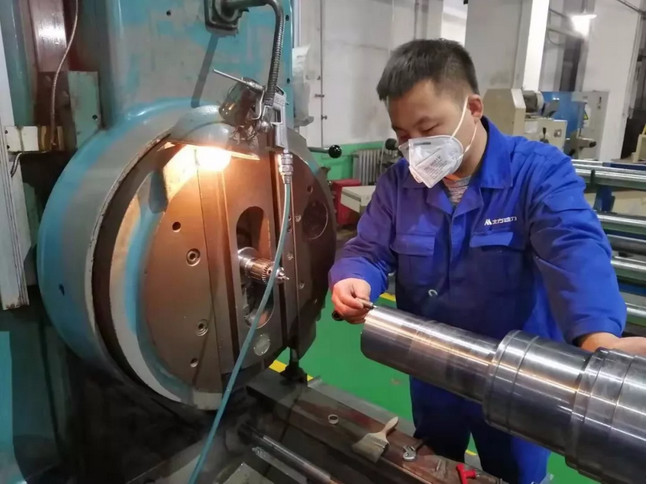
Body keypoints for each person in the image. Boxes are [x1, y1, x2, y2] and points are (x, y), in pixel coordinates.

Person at [329, 39, 646, 484]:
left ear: (473, 108)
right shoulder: (400, 184)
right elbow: (368, 250)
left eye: (427, 129)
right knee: (432, 466)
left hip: (520, 378)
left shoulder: (536, 172)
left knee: (515, 474)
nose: (415, 147)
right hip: (432, 367)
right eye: (403, 136)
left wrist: (598, 337)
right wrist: (354, 279)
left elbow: (573, 247)